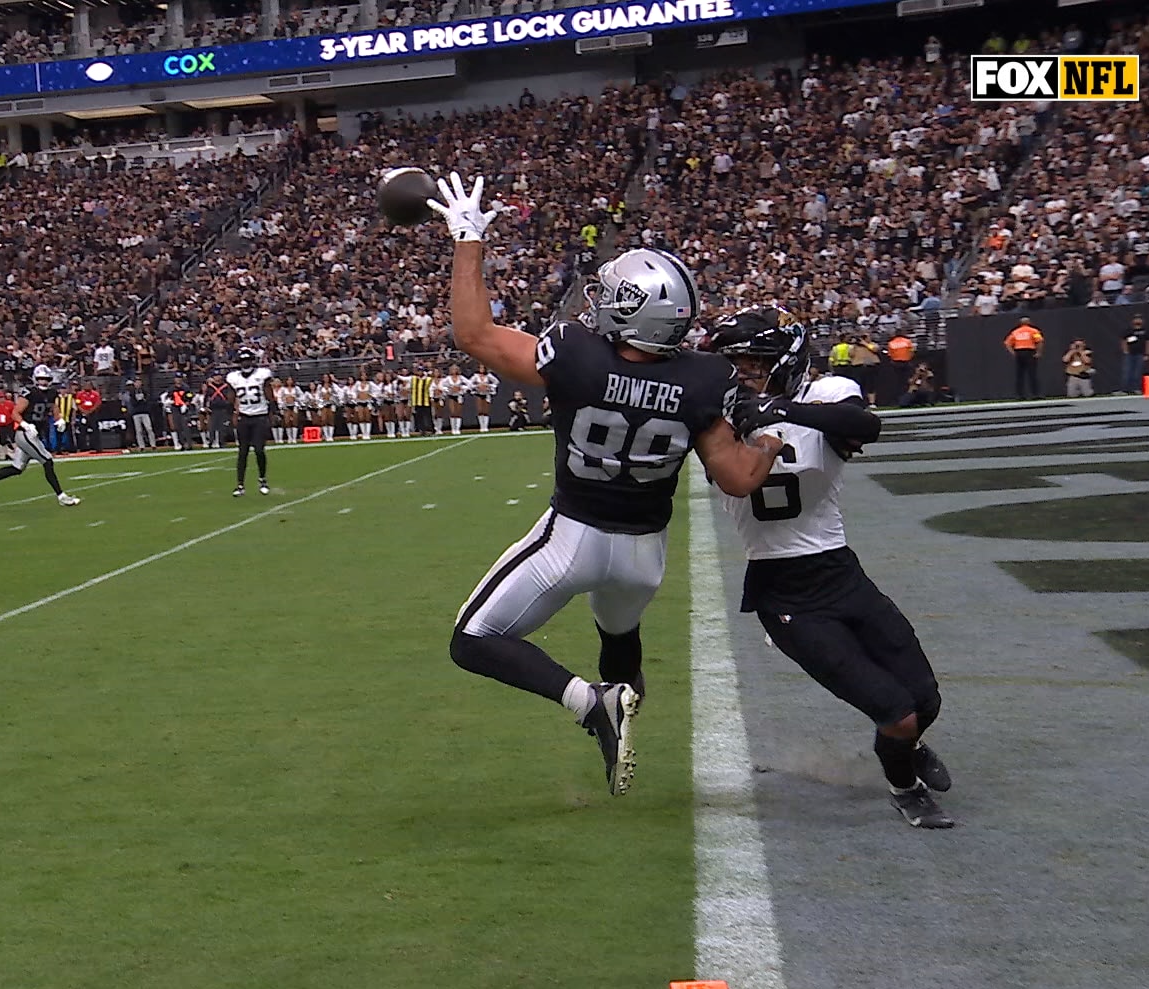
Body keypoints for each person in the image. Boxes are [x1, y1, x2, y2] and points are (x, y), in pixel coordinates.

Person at [428, 174, 782, 797]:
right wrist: (772, 434)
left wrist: (467, 240)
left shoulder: (575, 353)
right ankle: (620, 700)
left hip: (572, 540)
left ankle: (590, 704)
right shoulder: (705, 379)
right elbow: (737, 476)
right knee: (618, 636)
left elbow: (474, 335)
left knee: (472, 639)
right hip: (645, 555)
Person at [707, 306, 953, 828]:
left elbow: (865, 424)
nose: (742, 374)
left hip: (841, 572)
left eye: (754, 363)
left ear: (788, 362)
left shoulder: (822, 396)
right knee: (896, 710)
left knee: (924, 699)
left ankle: (904, 746)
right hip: (783, 590)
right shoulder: (713, 419)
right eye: (735, 364)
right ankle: (903, 785)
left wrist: (779, 411)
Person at [0, 365, 81, 506]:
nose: (43, 382)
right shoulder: (29, 393)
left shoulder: (51, 393)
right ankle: (61, 496)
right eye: (41, 379)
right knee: (47, 461)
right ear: (36, 379)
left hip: (34, 434)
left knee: (17, 468)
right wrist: (26, 424)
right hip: (25, 434)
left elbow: (54, 407)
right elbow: (15, 413)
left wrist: (59, 418)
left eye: (46, 379)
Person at [227, 352, 273, 497]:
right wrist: (232, 414)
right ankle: (240, 485)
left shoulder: (262, 374)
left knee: (259, 450)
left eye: (247, 360)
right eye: (242, 360)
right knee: (243, 452)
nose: (245, 363)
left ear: (253, 361)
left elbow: (269, 394)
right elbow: (231, 397)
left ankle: (262, 479)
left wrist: (272, 412)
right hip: (244, 417)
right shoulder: (233, 377)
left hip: (260, 416)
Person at [1004, 317, 1044, 399]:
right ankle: (1035, 394)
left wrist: (1013, 352)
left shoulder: (1015, 332)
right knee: (1032, 374)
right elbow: (1039, 341)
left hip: (1019, 352)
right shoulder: (1033, 331)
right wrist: (1038, 352)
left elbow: (1007, 343)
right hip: (1029, 351)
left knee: (1020, 375)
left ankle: (1019, 395)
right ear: (1029, 322)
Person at [1121, 315, 1149, 395]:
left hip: (1140, 354)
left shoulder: (1145, 331)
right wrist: (1125, 351)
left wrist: (1147, 353)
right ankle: (1126, 389)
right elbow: (1124, 341)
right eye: (1136, 319)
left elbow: (1148, 342)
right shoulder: (1129, 331)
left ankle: (1136, 388)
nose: (1138, 321)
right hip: (1130, 354)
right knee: (1127, 372)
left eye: (1139, 319)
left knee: (1137, 372)